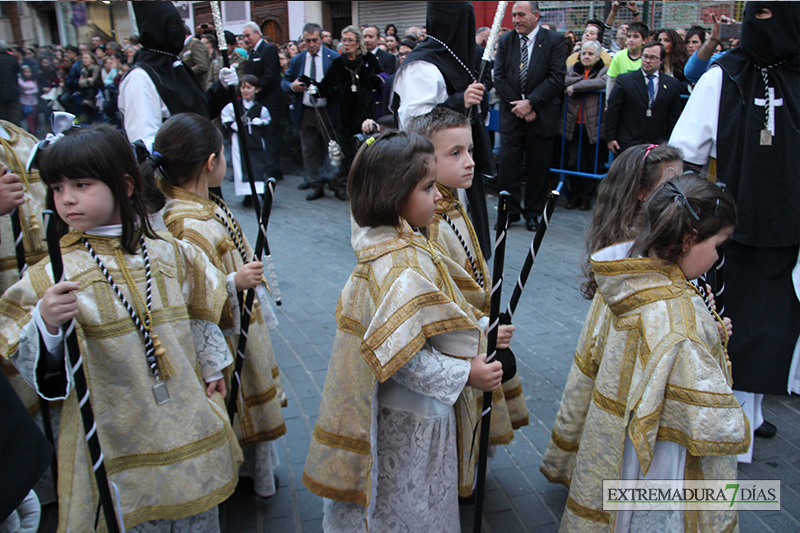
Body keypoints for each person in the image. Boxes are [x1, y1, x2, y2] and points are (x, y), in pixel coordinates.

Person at [0, 124, 242, 532]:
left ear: (125, 184)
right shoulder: (58, 273)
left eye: (81, 183)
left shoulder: (169, 251)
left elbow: (197, 308)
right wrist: (47, 323)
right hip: (117, 427)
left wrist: (212, 364)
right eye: (57, 188)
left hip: (183, 408)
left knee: (193, 507)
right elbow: (29, 352)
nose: (68, 199)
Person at [303, 131, 502, 531]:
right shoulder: (399, 262)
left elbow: (436, 309)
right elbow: (402, 358)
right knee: (407, 500)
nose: (438, 197)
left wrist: (480, 327)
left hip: (406, 405)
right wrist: (467, 374)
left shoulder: (400, 241)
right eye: (428, 188)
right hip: (410, 413)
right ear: (396, 194)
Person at [541, 174, 749, 532]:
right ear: (687, 240)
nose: (718, 257)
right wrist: (708, 336)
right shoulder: (678, 315)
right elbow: (705, 416)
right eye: (718, 244)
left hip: (624, 441)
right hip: (663, 453)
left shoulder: (631, 277)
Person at [669, 1, 800, 455]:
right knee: (734, 328)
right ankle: (730, 430)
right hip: (732, 230)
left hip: (791, 227)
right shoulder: (724, 74)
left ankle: (754, 411)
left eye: (771, 14)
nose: (759, 26)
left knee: (777, 328)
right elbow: (686, 150)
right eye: (754, 13)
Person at [149, 113, 286, 499]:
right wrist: (232, 282)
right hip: (219, 333)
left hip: (238, 316)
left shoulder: (205, 205)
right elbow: (186, 290)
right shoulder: (184, 220)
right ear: (211, 163)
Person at [408, 108, 530, 486]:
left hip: (476, 329)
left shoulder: (453, 205)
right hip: (456, 341)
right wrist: (481, 325)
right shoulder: (427, 219)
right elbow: (441, 291)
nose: (470, 162)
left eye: (472, 150)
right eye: (455, 153)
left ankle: (471, 467)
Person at [393, 1, 494, 257]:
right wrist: (458, 101)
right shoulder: (423, 66)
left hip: (459, 169)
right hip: (434, 173)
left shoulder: (458, 59)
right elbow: (414, 123)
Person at [494, 0, 566, 232]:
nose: (516, 20)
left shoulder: (554, 41)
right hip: (512, 115)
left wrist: (531, 103)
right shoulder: (506, 41)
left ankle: (533, 213)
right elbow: (500, 77)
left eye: (521, 15)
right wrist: (519, 105)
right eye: (513, 15)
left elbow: (556, 78)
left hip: (541, 115)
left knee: (538, 167)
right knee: (508, 167)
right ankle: (509, 213)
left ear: (536, 16)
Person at [118, 2, 209, 150]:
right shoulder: (140, 78)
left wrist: (222, 89)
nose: (178, 30)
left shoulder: (176, 65)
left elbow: (199, 112)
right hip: (179, 169)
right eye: (172, 24)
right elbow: (145, 142)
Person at [314, 25, 383, 199]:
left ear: (358, 42)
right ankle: (352, 189)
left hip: (367, 115)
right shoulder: (338, 63)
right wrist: (312, 87)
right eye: (343, 40)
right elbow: (325, 87)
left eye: (350, 40)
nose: (346, 44)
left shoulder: (369, 60)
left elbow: (383, 81)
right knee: (348, 156)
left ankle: (370, 189)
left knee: (368, 153)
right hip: (346, 117)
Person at [282, 23, 340, 197]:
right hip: (306, 111)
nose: (312, 44)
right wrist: (292, 86)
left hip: (327, 110)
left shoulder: (333, 57)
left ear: (321, 39)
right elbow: (284, 82)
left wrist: (326, 89)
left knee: (333, 149)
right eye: (308, 41)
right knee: (310, 150)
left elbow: (340, 85)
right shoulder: (297, 60)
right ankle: (316, 184)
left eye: (315, 40)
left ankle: (337, 183)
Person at [605, 42, 682, 155]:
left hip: (656, 143)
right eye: (645, 56)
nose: (647, 60)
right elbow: (613, 111)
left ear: (661, 60)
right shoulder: (625, 80)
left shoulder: (671, 84)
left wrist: (667, 141)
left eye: (652, 57)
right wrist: (610, 138)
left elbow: (673, 116)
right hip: (628, 142)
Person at [561, 40, 608, 211]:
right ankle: (574, 196)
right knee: (573, 163)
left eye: (590, 54)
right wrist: (579, 83)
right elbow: (563, 80)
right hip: (574, 125)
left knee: (591, 164)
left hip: (593, 127)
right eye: (583, 53)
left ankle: (586, 198)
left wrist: (576, 86)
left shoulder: (603, 70)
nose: (586, 57)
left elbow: (602, 82)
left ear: (597, 56)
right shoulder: (572, 69)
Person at [242, 21, 287, 184]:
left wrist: (257, 90)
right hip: (258, 102)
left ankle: (273, 171)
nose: (246, 39)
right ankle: (265, 169)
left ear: (257, 34)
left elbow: (270, 75)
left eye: (248, 35)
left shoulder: (267, 50)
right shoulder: (252, 52)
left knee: (271, 137)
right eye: (244, 36)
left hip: (270, 102)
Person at [221, 75, 271, 200]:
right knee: (241, 165)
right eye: (243, 87)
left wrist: (260, 122)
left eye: (248, 87)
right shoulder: (233, 106)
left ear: (256, 90)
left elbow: (267, 121)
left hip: (256, 141)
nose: (245, 90)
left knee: (257, 164)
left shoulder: (260, 108)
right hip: (239, 141)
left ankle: (260, 190)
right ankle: (247, 194)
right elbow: (225, 118)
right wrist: (233, 125)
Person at [606, 21, 648, 96]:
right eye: (629, 36)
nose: (631, 40)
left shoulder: (647, 58)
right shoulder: (618, 56)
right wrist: (609, 103)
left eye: (636, 37)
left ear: (644, 40)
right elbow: (611, 81)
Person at [0, 41, 22, 126]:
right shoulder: (12, 60)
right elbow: (17, 72)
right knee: (14, 116)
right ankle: (17, 135)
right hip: (13, 91)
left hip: (1, 94)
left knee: (2, 118)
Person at [17, 66, 38, 135]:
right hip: (25, 102)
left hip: (34, 102)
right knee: (29, 118)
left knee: (35, 118)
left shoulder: (34, 79)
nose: (27, 74)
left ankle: (34, 130)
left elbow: (36, 89)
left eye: (28, 72)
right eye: (25, 72)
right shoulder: (20, 80)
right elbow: (23, 86)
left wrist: (27, 91)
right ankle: (32, 132)